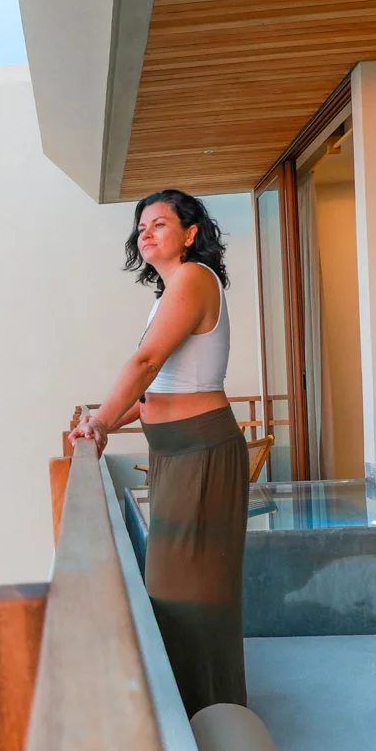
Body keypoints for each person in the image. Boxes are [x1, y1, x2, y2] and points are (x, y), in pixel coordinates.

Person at [69, 189, 247, 716]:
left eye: (160, 223)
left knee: (192, 592)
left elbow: (146, 363)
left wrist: (100, 420)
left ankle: (209, 715)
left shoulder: (193, 278)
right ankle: (201, 711)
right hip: (176, 454)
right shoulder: (169, 292)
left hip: (200, 452)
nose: (146, 232)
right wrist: (104, 424)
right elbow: (153, 392)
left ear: (191, 234)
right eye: (141, 225)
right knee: (178, 589)